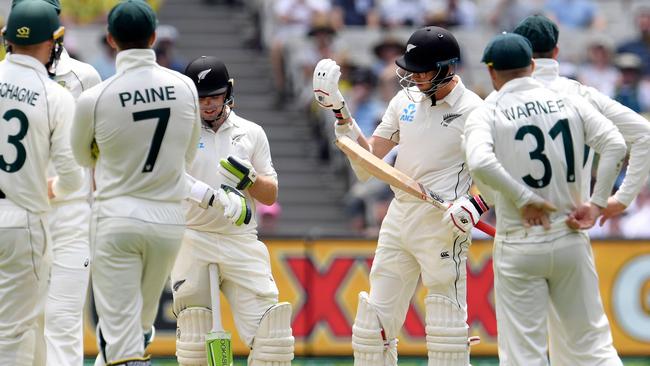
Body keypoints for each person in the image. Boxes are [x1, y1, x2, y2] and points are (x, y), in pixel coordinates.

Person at [314, 26, 488, 365]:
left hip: (442, 222)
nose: (414, 78)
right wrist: (340, 111)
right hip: (399, 216)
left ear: (447, 68)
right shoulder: (404, 100)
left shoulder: (474, 111)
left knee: (446, 333)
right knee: (371, 329)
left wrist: (475, 204)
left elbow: (493, 173)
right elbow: (368, 165)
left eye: (422, 70)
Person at [464, 32, 627, 366]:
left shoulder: (488, 110)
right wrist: (596, 204)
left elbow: (480, 162)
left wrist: (524, 198)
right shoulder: (567, 99)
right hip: (570, 234)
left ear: (492, 73)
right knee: (593, 349)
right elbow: (615, 145)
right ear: (533, 65)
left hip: (520, 241)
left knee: (525, 357)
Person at [70, 1, 204, 364]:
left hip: (117, 219)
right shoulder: (186, 88)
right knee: (138, 328)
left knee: (118, 333)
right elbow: (188, 155)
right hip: (167, 223)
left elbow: (82, 158)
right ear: (154, 37)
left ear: (111, 40)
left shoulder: (94, 98)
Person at [511, 15, 650, 365]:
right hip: (573, 226)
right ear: (556, 51)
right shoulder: (578, 93)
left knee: (523, 351)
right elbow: (643, 136)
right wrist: (616, 200)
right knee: (589, 348)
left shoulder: (503, 99)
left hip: (520, 233)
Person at [172, 56, 294, 366]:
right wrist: (210, 197)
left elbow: (270, 195)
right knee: (196, 344)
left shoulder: (251, 132)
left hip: (240, 239)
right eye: (201, 98)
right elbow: (167, 178)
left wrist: (250, 179)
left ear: (228, 92)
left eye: (214, 96)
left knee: (273, 339)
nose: (208, 104)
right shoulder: (178, 130)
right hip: (193, 237)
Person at [9, 1, 101, 364]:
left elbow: (96, 156)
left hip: (67, 216)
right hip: (22, 212)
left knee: (61, 324)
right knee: (23, 327)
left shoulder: (83, 77)